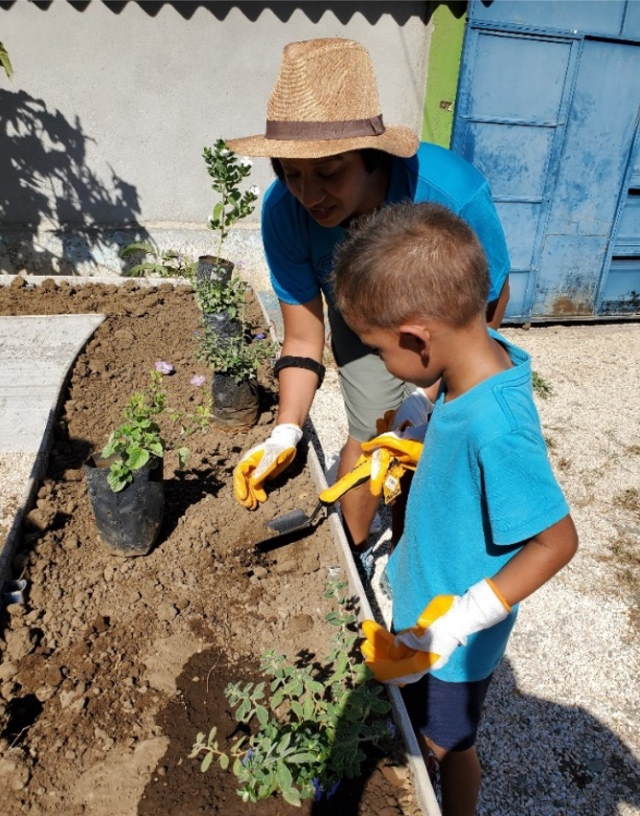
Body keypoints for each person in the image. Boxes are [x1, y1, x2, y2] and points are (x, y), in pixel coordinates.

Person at [332, 200, 579, 816]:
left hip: (453, 642)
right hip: (427, 606)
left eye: (379, 351)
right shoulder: (469, 355)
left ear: (417, 338)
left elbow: (558, 542)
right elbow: (447, 385)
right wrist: (420, 414)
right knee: (423, 731)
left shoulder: (498, 426)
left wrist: (460, 619)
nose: (380, 365)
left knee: (442, 747)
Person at [229, 37, 511, 554]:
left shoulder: (451, 193)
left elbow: (490, 299)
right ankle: (353, 551)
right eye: (292, 175)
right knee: (372, 432)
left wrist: (433, 396)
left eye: (330, 173)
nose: (309, 195)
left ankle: (411, 538)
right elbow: (303, 333)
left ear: (373, 157)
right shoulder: (284, 212)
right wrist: (286, 431)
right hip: (360, 320)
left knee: (440, 445)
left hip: (454, 321)